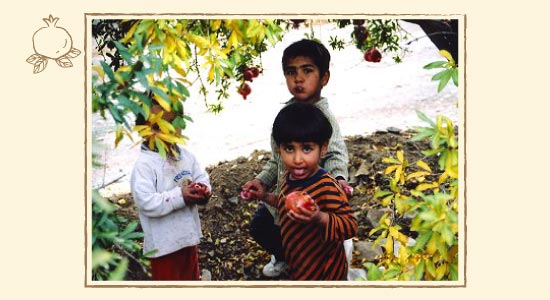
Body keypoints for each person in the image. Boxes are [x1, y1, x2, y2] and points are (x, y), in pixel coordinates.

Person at [241, 39, 354, 278]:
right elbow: (276, 159)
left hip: (313, 200)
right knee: (262, 227)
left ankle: (332, 261)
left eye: (307, 71)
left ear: (324, 78)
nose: (298, 79)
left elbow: (335, 154)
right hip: (286, 197)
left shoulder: (324, 118)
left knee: (315, 239)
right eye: (291, 72)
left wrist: (339, 180)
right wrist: (261, 183)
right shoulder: (285, 117)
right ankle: (286, 258)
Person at [253, 102, 357, 280]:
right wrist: (263, 195)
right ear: (279, 150)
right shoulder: (288, 177)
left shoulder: (326, 187)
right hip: (300, 261)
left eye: (307, 148)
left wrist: (319, 217)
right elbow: (285, 202)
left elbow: (349, 226)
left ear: (323, 148)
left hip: (325, 271)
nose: (297, 159)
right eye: (289, 149)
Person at [130, 96, 212, 281]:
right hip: (162, 246)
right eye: (157, 128)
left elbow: (201, 177)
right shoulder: (145, 165)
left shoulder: (186, 157)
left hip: (187, 237)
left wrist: (204, 190)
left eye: (171, 125)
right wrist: (181, 196)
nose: (166, 133)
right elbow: (146, 202)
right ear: (142, 131)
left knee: (191, 277)